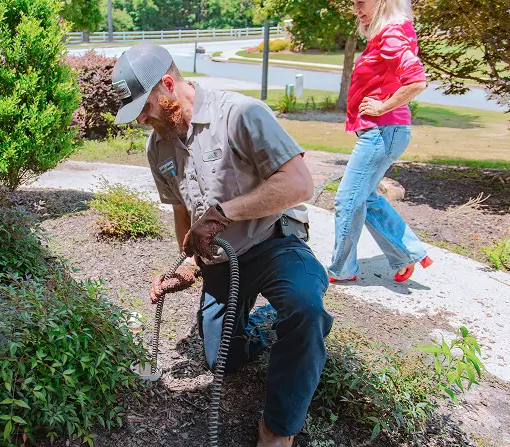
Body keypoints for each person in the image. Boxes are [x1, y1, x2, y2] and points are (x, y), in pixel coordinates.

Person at [111, 43, 333, 447]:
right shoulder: (157, 146)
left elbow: (299, 183)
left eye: (145, 108)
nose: (141, 120)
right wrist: (187, 267)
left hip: (272, 243)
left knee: (306, 308)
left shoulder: (241, 114)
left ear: (167, 85)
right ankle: (269, 327)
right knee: (221, 360)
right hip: (220, 260)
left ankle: (277, 430)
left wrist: (222, 214)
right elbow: (182, 209)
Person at [328, 0, 433, 284]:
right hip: (385, 130)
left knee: (347, 199)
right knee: (366, 197)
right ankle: (408, 253)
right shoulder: (390, 32)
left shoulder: (392, 33)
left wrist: (382, 107)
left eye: (361, 2)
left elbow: (416, 81)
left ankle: (341, 270)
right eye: (353, 3)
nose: (356, 9)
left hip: (382, 130)